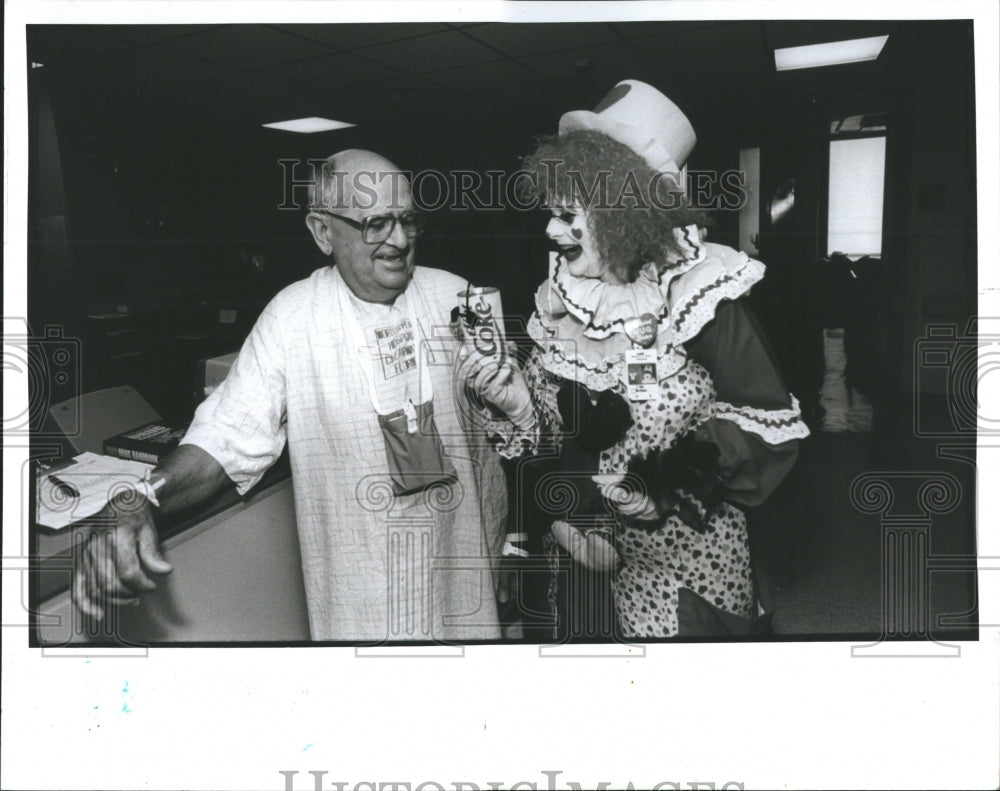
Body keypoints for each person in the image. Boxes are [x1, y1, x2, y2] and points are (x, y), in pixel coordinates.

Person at [72, 149, 509, 642]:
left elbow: (502, 439)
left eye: (408, 220)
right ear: (323, 232)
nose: (400, 239)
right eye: (377, 223)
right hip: (362, 601)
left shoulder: (458, 298)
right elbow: (222, 441)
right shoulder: (292, 318)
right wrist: (137, 499)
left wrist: (505, 547)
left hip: (464, 581)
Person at [464, 80, 810, 638]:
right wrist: (518, 404)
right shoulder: (562, 297)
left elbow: (769, 430)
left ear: (623, 209)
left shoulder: (700, 296)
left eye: (567, 214)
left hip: (686, 563)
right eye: (551, 213)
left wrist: (665, 485)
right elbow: (551, 437)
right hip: (582, 556)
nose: (551, 231)